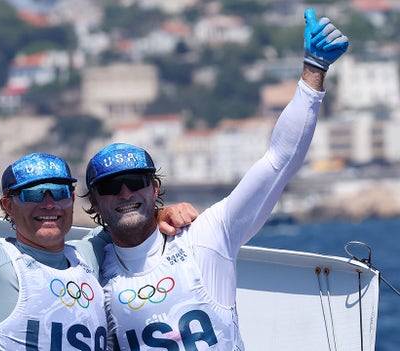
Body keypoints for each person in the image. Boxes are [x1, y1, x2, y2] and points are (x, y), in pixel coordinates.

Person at [80, 8, 348, 350]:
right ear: (95, 201)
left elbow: (279, 160)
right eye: (110, 187)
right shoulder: (89, 269)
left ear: (154, 189)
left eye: (135, 181)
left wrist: (314, 70)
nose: (125, 192)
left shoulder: (207, 237)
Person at [0, 69, 198, 350]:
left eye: (59, 192)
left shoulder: (88, 257)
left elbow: (127, 217)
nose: (48, 204)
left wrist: (160, 213)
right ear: (7, 206)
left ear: (72, 200)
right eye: (32, 194)